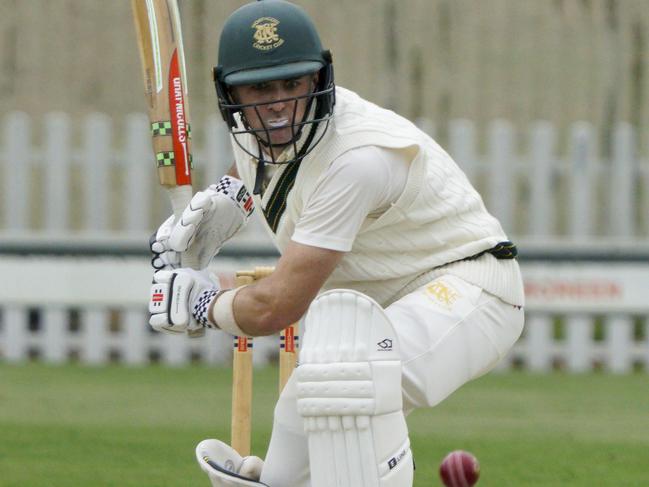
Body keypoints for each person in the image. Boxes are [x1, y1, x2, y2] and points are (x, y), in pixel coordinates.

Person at [147, 1, 525, 486]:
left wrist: (203, 304)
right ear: (232, 92)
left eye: (293, 83)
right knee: (313, 398)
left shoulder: (358, 159)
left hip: (470, 291)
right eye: (261, 88)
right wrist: (225, 209)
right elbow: (266, 174)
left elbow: (276, 307)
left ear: (318, 79)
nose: (279, 102)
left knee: (348, 381)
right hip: (384, 305)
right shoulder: (260, 134)